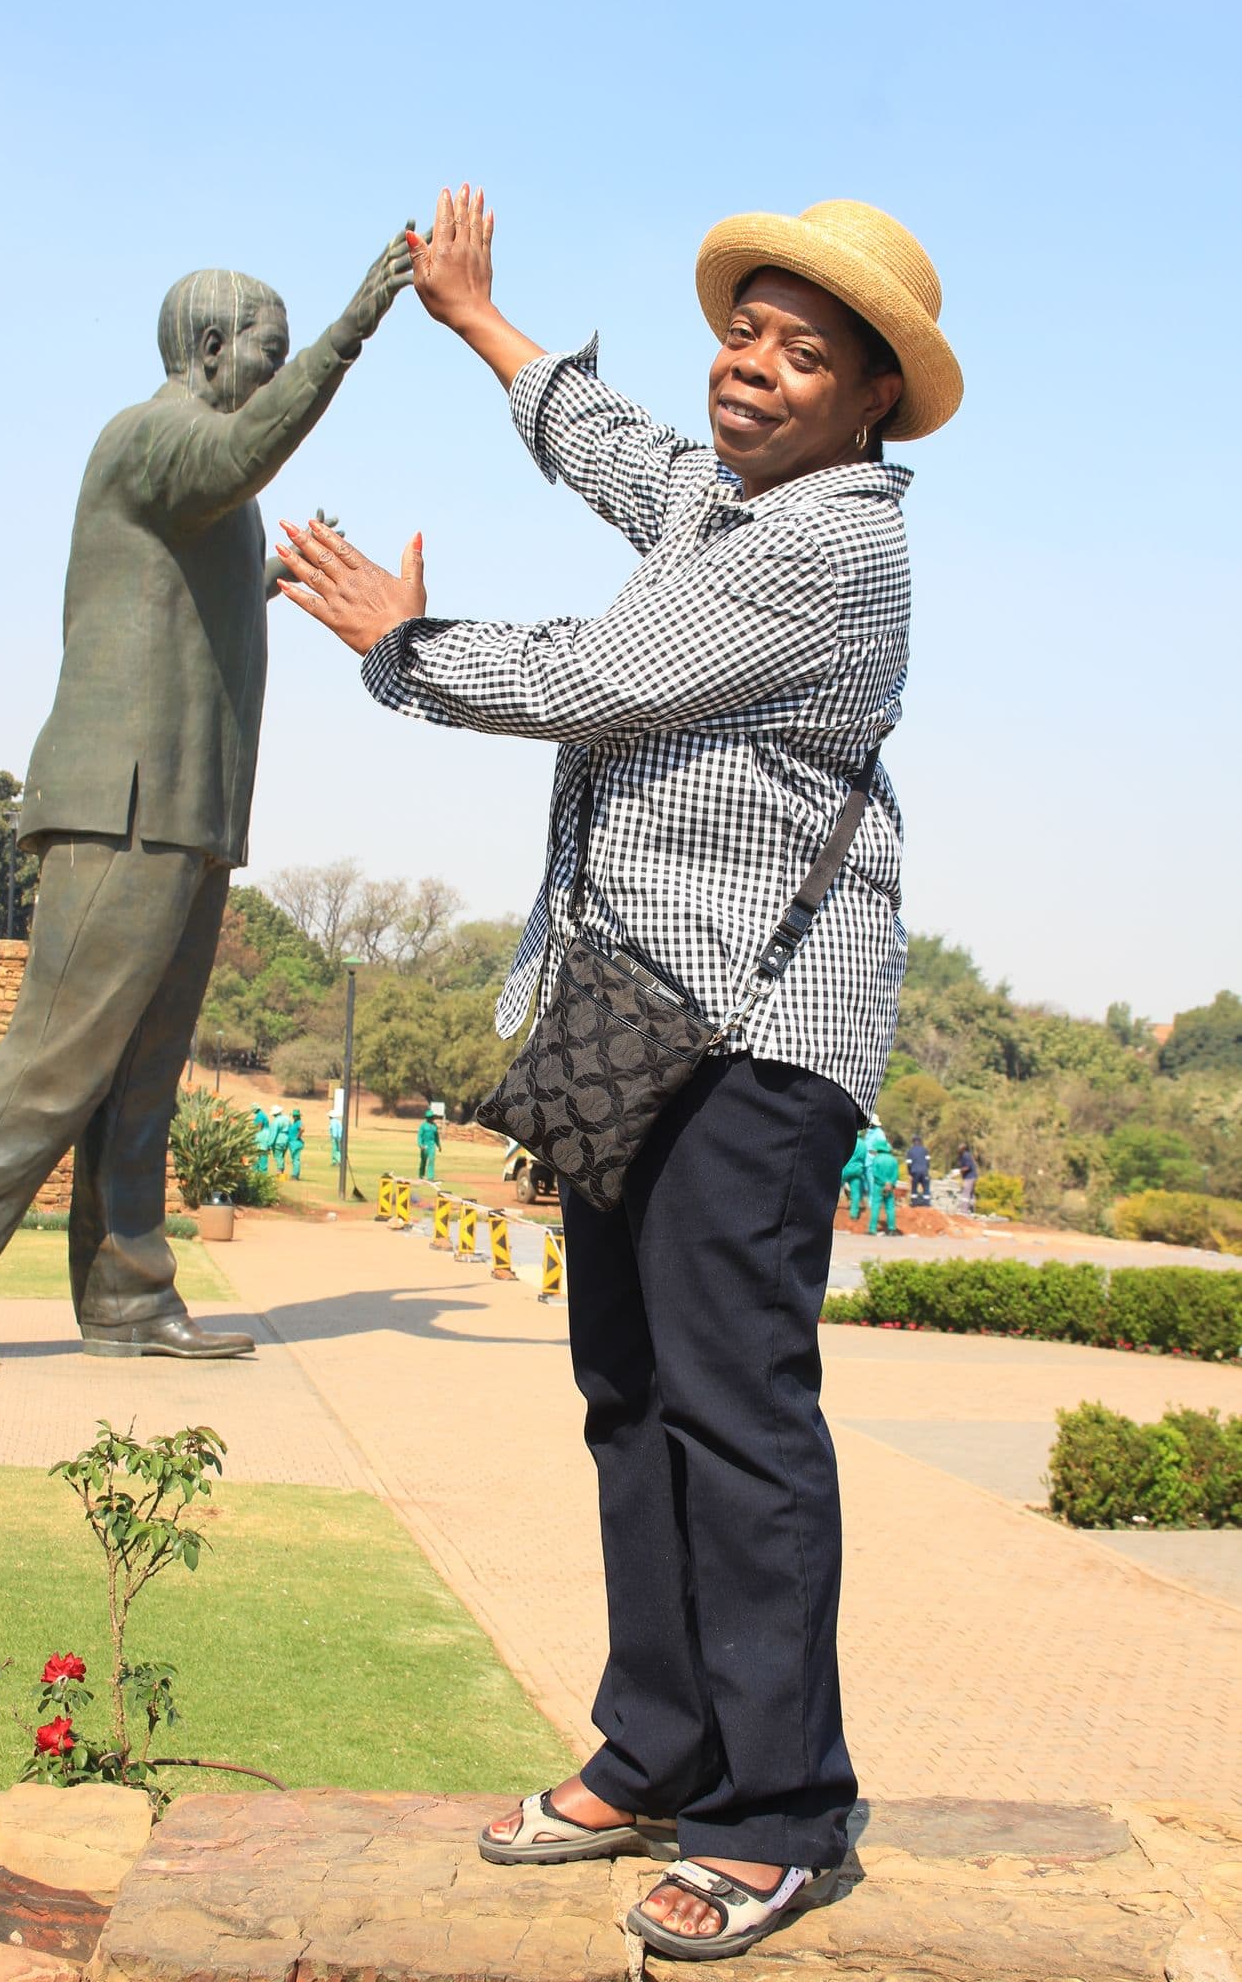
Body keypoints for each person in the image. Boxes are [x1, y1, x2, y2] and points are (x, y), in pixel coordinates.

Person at [277, 183, 961, 1960]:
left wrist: (400, 651)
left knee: (738, 1414)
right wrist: (477, 317)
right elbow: (616, 449)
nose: (757, 366)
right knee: (629, 1391)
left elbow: (606, 673)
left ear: (871, 399)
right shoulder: (726, 504)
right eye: (750, 328)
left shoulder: (838, 547)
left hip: (758, 1037)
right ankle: (657, 1744)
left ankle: (781, 1808)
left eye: (808, 353)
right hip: (627, 1008)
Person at [0, 234, 414, 1359]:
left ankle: (127, 1293)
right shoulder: (154, 436)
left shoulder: (210, 484)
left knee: (142, 1073)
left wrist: (272, 577)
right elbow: (239, 455)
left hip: (190, 807)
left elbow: (182, 595)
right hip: (121, 803)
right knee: (62, 1050)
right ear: (212, 350)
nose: (271, 383)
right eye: (265, 360)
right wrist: (354, 326)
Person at [867, 1137, 900, 1236]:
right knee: (890, 1207)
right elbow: (896, 1174)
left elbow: (875, 1173)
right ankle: (892, 1229)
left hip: (879, 1186)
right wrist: (890, 1183)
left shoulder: (877, 1159)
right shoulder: (893, 1160)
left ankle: (872, 1229)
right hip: (889, 1187)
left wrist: (883, 1182)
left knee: (875, 1206)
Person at [839, 1129, 869, 1222]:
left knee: (834, 1188)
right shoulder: (863, 1145)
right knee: (856, 1193)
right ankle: (854, 1214)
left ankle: (829, 1208)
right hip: (857, 1170)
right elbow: (864, 1159)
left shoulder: (849, 1141)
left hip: (846, 1168)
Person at [417, 1107, 442, 1181]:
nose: (431, 1118)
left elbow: (436, 1137)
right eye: (430, 1117)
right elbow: (419, 1136)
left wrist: (439, 1145)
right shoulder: (423, 1126)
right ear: (427, 1118)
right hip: (424, 1145)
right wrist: (420, 1145)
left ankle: (430, 1177)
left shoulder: (434, 1126)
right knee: (423, 1161)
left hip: (432, 1145)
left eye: (432, 1117)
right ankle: (421, 1175)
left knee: (431, 1160)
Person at [907, 1133, 931, 1208]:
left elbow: (909, 1164)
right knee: (926, 1187)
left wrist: (910, 1173)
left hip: (915, 1172)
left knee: (914, 1187)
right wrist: (926, 1170)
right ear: (920, 1142)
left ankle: (914, 1203)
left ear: (913, 1142)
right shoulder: (925, 1150)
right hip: (924, 1171)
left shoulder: (910, 1151)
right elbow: (928, 1161)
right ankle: (926, 1204)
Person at [958, 1143, 979, 1216]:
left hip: (969, 1177)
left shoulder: (965, 1155)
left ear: (963, 1149)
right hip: (973, 1176)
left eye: (959, 1148)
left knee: (966, 1193)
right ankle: (972, 1210)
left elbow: (967, 1167)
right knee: (971, 1194)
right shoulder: (967, 1155)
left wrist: (960, 1171)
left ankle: (964, 1211)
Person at [286, 1109, 306, 1181]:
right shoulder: (294, 1122)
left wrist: (298, 1136)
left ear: (298, 1116)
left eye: (296, 1116)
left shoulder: (299, 1122)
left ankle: (295, 1175)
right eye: (294, 1115)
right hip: (292, 1143)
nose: (294, 1117)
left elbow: (302, 1129)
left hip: (296, 1143)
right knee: (294, 1159)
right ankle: (295, 1174)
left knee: (296, 1159)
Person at [270, 1107, 289, 1175]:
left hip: (279, 1140)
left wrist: (269, 1144)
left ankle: (279, 1171)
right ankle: (282, 1170)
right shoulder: (287, 1119)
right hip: (286, 1140)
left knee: (278, 1156)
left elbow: (273, 1134)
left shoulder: (276, 1121)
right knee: (282, 1156)